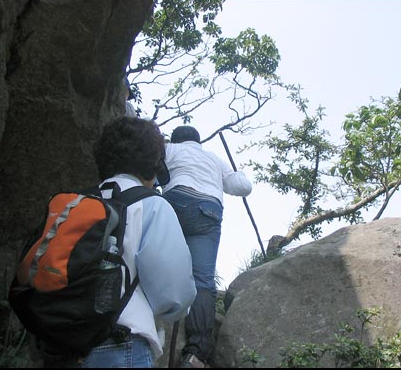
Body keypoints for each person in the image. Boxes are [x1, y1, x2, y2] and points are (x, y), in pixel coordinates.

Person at [43, 117, 197, 368]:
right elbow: (174, 295)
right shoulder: (152, 205)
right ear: (152, 165)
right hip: (120, 344)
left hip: (59, 345)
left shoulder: (75, 206)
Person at [161, 126, 252, 368]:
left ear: (176, 139)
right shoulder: (213, 158)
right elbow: (243, 187)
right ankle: (196, 354)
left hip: (175, 202)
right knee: (202, 279)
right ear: (198, 141)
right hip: (208, 210)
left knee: (159, 261)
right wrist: (237, 171)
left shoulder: (169, 149)